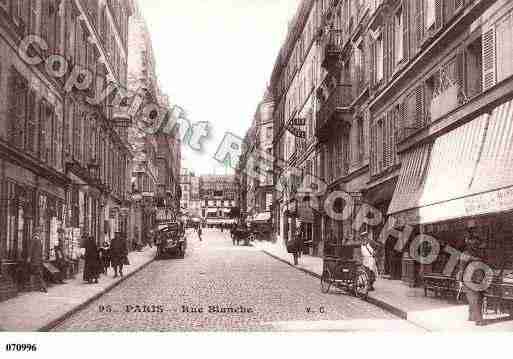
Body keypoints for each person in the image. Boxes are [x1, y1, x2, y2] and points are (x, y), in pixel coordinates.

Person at [458, 229, 486, 324]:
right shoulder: (479, 253)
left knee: (473, 299)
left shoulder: (465, 254)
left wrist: (460, 280)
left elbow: (461, 269)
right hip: (478, 279)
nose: (476, 243)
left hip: (470, 279)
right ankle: (478, 320)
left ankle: (472, 317)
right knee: (477, 299)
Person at [29, 227, 47, 292]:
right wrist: (29, 257)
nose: (41, 233)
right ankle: (42, 287)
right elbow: (31, 249)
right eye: (40, 232)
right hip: (35, 259)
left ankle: (34, 287)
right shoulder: (35, 239)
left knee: (34, 273)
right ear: (38, 232)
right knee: (37, 273)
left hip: (38, 259)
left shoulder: (38, 239)